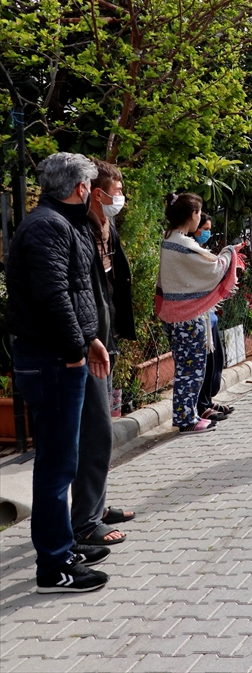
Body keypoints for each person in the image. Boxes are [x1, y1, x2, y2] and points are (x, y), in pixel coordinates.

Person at [7, 152, 112, 592]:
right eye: (90, 184)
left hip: (62, 356)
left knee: (62, 463)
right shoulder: (48, 225)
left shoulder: (57, 222)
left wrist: (88, 339)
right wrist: (74, 348)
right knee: (55, 468)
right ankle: (54, 567)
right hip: (52, 362)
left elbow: (73, 291)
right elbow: (53, 296)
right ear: (80, 188)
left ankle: (63, 546)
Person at [72, 160, 136, 549]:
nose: (120, 197)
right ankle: (85, 523)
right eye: (117, 189)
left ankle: (94, 506)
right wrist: (88, 337)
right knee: (95, 433)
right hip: (89, 343)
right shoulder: (78, 230)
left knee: (102, 429)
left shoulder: (105, 227)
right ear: (96, 193)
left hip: (105, 339)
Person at [155, 194, 245, 434]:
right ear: (191, 215)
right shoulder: (182, 244)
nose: (199, 217)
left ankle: (190, 415)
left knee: (187, 370)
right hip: (188, 318)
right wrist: (229, 252)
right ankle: (187, 420)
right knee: (191, 371)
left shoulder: (171, 239)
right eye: (198, 213)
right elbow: (213, 269)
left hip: (177, 316)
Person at [190, 214, 230, 422]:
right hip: (198, 317)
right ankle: (202, 405)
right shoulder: (189, 251)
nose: (207, 233)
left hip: (210, 316)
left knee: (215, 363)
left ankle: (208, 401)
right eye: (204, 228)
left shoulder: (200, 251)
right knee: (203, 365)